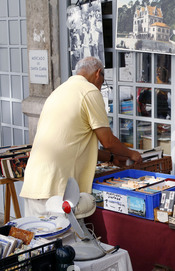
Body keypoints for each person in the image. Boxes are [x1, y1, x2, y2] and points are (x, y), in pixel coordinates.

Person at [20, 56, 142, 217]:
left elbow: (75, 142)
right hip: (58, 189)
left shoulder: (59, 91)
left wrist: (112, 157)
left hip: (35, 183)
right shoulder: (89, 91)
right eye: (103, 81)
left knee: (38, 240)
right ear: (98, 73)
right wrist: (132, 154)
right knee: (64, 240)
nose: (100, 87)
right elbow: (107, 141)